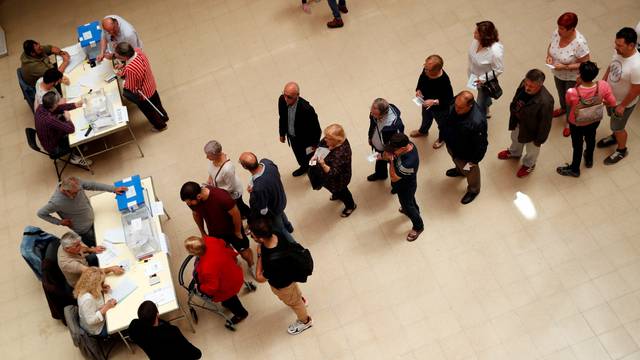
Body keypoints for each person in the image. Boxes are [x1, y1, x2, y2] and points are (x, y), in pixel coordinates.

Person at [248, 216, 313, 335]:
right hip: (289, 276)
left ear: (260, 239)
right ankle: (299, 299)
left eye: (252, 235)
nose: (251, 236)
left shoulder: (272, 261)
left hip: (283, 285)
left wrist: (259, 255)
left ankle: (305, 321)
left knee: (295, 303)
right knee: (294, 294)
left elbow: (260, 278)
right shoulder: (276, 234)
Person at [180, 181, 255, 275]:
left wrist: (238, 232)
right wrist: (203, 232)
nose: (189, 204)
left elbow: (236, 214)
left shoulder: (221, 197)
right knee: (225, 252)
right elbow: (196, 214)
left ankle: (251, 265)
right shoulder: (192, 202)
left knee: (244, 251)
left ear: (199, 196)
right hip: (215, 232)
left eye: (190, 202)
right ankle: (235, 266)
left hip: (232, 230)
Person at [557, 61, 617, 177]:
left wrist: (576, 85)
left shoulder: (572, 92)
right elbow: (612, 102)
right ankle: (589, 159)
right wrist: (601, 103)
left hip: (576, 123)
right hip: (594, 120)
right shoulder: (603, 85)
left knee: (577, 145)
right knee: (591, 138)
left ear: (579, 75)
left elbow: (569, 103)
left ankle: (575, 169)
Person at [38, 176, 128, 247]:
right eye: (75, 193)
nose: (77, 194)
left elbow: (93, 185)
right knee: (102, 246)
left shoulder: (77, 183)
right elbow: (41, 213)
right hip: (86, 230)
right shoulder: (56, 202)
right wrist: (59, 222)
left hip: (93, 218)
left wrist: (113, 189)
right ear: (65, 191)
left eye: (78, 191)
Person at [497, 69, 554, 178]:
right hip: (519, 122)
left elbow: (545, 124)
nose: (527, 87)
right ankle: (515, 152)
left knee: (532, 149)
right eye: (526, 84)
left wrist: (539, 140)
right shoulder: (524, 83)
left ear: (540, 85)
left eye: (531, 86)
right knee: (515, 138)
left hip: (532, 131)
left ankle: (529, 164)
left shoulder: (546, 101)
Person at [596, 27, 640, 165]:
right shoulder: (619, 52)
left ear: (631, 45)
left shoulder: (637, 65)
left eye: (620, 45)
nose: (616, 47)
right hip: (611, 98)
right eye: (616, 44)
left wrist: (622, 106)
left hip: (622, 103)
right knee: (613, 121)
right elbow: (611, 66)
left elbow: (636, 90)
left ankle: (621, 150)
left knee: (618, 127)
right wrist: (603, 84)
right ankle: (614, 136)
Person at [184, 236, 249, 324]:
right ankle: (227, 304)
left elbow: (212, 288)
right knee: (230, 300)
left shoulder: (206, 268)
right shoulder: (210, 240)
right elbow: (222, 242)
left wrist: (199, 287)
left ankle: (241, 314)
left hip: (226, 286)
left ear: (194, 253)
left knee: (232, 301)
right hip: (232, 271)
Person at [545, 12, 590, 137]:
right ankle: (563, 109)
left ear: (572, 29)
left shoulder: (580, 43)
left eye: (562, 29)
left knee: (571, 99)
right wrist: (549, 56)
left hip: (572, 76)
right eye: (558, 27)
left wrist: (565, 66)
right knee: (561, 93)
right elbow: (551, 45)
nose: (559, 31)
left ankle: (570, 122)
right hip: (557, 73)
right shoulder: (557, 33)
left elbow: (585, 63)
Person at [441, 91, 488, 205]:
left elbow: (481, 144)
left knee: (471, 171)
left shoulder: (477, 122)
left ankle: (473, 189)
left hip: (467, 155)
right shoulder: (456, 102)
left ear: (470, 105)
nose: (456, 109)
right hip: (453, 145)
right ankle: (460, 171)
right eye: (456, 105)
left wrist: (474, 161)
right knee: (457, 161)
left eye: (460, 107)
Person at [239, 153, 296, 244]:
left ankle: (295, 245)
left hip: (274, 209)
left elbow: (263, 209)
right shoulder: (267, 162)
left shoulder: (258, 188)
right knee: (282, 214)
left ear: (245, 167)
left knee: (281, 229)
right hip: (281, 198)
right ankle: (289, 227)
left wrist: (253, 193)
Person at [114, 42, 168, 132]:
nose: (116, 56)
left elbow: (130, 86)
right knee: (157, 103)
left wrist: (122, 77)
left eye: (118, 55)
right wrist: (123, 67)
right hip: (151, 84)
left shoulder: (130, 69)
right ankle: (164, 117)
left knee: (150, 112)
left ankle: (161, 126)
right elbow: (135, 67)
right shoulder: (138, 51)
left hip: (144, 94)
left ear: (124, 57)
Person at [383, 133, 424, 241]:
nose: (392, 152)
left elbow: (394, 177)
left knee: (407, 205)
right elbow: (395, 154)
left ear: (402, 148)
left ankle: (418, 226)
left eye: (393, 150)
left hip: (406, 185)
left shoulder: (409, 163)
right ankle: (416, 210)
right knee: (410, 201)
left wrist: (391, 160)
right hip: (404, 183)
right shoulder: (409, 144)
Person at [409, 54, 454, 149]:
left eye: (427, 69)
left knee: (442, 125)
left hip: (440, 109)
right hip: (425, 103)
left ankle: (442, 139)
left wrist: (434, 102)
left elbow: (449, 98)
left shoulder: (444, 80)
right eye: (425, 67)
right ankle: (423, 131)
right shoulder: (426, 70)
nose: (425, 70)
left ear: (436, 70)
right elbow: (421, 79)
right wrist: (418, 89)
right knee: (425, 118)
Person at [129, 301, 202, 360]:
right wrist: (198, 353)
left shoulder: (135, 329)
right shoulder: (171, 331)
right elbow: (193, 352)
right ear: (157, 314)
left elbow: (134, 327)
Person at [34, 91, 90, 166]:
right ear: (53, 105)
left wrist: (75, 105)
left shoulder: (41, 107)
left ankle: (80, 147)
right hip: (54, 147)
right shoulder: (49, 119)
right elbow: (71, 129)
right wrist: (68, 118)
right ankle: (75, 158)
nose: (59, 103)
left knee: (68, 123)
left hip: (50, 139)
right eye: (57, 102)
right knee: (77, 133)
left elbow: (58, 108)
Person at [278, 82, 321, 177]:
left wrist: (314, 144)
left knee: (311, 159)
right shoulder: (282, 100)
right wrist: (282, 134)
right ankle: (304, 167)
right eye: (284, 95)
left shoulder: (307, 109)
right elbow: (282, 117)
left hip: (307, 142)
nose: (286, 99)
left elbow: (316, 129)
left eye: (289, 97)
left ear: (297, 95)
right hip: (293, 138)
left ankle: (314, 173)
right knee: (300, 157)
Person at [315, 124, 356, 217]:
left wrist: (322, 164)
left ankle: (350, 205)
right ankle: (336, 194)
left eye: (328, 138)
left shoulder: (341, 153)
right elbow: (320, 146)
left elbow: (333, 172)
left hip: (339, 179)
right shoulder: (328, 141)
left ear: (337, 140)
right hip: (327, 178)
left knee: (343, 192)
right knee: (334, 190)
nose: (325, 139)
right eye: (325, 136)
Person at [57, 231, 124, 288]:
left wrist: (92, 249)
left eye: (79, 243)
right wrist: (110, 269)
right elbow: (90, 272)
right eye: (77, 246)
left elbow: (81, 248)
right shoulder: (66, 263)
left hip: (84, 263)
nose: (80, 246)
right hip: (82, 281)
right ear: (67, 249)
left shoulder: (67, 245)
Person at [204, 140, 250, 218]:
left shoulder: (227, 169)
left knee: (239, 206)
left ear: (216, 155)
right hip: (220, 188)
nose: (207, 157)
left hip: (233, 193)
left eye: (208, 155)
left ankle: (250, 217)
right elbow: (212, 171)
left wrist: (215, 193)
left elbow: (230, 187)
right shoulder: (213, 160)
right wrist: (210, 178)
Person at [468, 21, 504, 117]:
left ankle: (482, 118)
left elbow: (499, 69)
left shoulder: (495, 51)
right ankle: (487, 105)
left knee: (480, 104)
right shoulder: (476, 41)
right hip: (473, 75)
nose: (474, 33)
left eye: (476, 33)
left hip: (484, 81)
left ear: (484, 37)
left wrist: (482, 79)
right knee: (482, 94)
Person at [367, 98, 405, 182]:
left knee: (394, 167)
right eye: (371, 112)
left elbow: (397, 143)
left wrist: (387, 153)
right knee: (380, 162)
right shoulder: (374, 113)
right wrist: (370, 137)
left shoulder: (395, 126)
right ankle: (381, 174)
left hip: (390, 150)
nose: (372, 115)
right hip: (379, 146)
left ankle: (395, 185)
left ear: (383, 114)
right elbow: (372, 125)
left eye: (375, 114)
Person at [73, 267, 116, 337]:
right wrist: (106, 307)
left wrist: (101, 288)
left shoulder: (85, 287)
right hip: (97, 328)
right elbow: (91, 321)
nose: (102, 283)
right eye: (101, 282)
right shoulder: (87, 300)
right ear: (94, 285)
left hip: (96, 315)